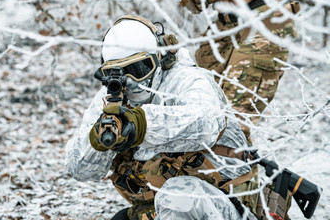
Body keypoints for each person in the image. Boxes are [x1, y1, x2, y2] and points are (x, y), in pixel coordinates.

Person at [65, 15, 262, 220]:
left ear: (159, 58)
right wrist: (97, 142)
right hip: (158, 211)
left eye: (138, 69)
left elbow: (207, 123)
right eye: (120, 73)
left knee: (177, 196)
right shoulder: (111, 98)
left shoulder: (188, 79)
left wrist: (141, 124)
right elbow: (81, 171)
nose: (130, 82)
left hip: (227, 205)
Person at [170, 0, 299, 143]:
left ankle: (235, 166)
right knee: (205, 111)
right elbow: (196, 3)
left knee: (229, 128)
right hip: (228, 21)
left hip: (262, 17)